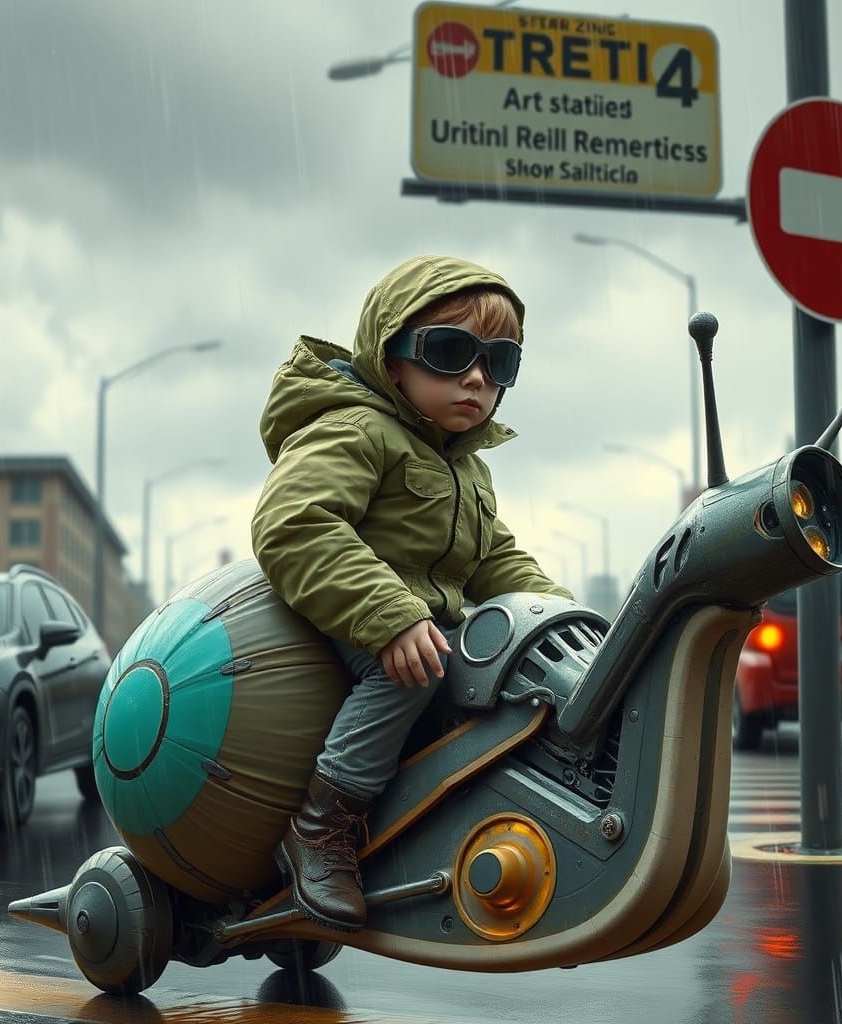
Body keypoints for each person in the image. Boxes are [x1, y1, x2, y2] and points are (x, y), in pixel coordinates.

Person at [251, 254, 572, 933]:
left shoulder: (466, 466)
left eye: (500, 361)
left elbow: (497, 563)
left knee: (505, 678)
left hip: (413, 629)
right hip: (345, 620)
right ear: (391, 359)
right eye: (451, 352)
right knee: (422, 669)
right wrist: (390, 617)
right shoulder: (357, 427)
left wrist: (568, 622)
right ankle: (320, 825)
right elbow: (293, 522)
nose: (478, 377)